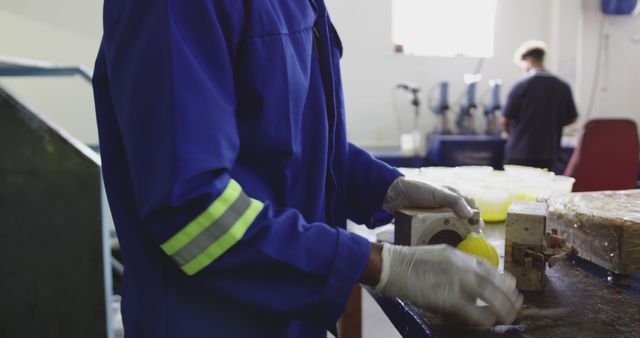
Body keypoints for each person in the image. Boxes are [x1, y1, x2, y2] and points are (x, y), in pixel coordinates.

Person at [92, 1, 522, 337]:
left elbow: (292, 135)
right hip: (208, 321)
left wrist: (387, 187)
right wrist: (378, 264)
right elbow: (190, 209)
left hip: (292, 319)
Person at [502, 41, 579, 171]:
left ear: (526, 60)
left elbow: (505, 120)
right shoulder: (562, 86)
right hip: (548, 153)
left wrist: (516, 134)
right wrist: (552, 125)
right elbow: (572, 117)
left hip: (520, 153)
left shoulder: (520, 85)